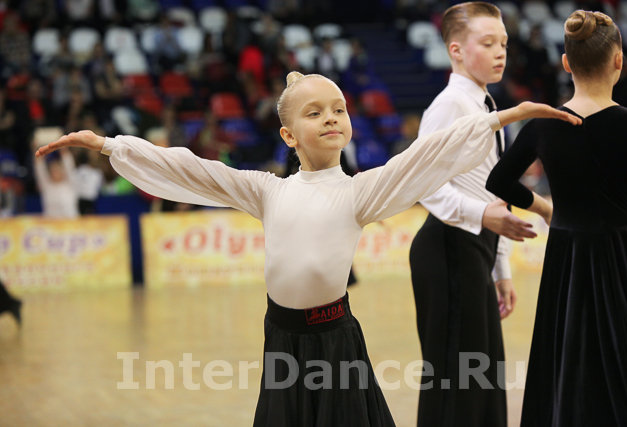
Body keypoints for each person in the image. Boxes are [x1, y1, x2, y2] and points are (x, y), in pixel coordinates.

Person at [35, 71, 579, 427]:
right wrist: (108, 145)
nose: (331, 118)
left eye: (338, 109)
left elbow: (425, 156)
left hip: (335, 341)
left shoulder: (360, 191)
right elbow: (191, 169)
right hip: (282, 340)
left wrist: (504, 117)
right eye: (314, 112)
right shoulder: (266, 190)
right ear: (289, 135)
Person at [486, 10, 627, 426]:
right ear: (619, 61)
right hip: (626, 249)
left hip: (567, 253)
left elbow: (498, 180)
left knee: (568, 350)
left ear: (566, 63)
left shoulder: (544, 125)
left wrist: (542, 207)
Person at [408, 4, 536, 426]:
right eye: (488, 43)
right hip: (447, 249)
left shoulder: (484, 104)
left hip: (474, 250)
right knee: (457, 383)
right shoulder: (449, 105)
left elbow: (491, 188)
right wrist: (482, 215)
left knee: (483, 379)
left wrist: (501, 269)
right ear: (456, 50)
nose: (500, 52)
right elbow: (423, 183)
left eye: (503, 43)